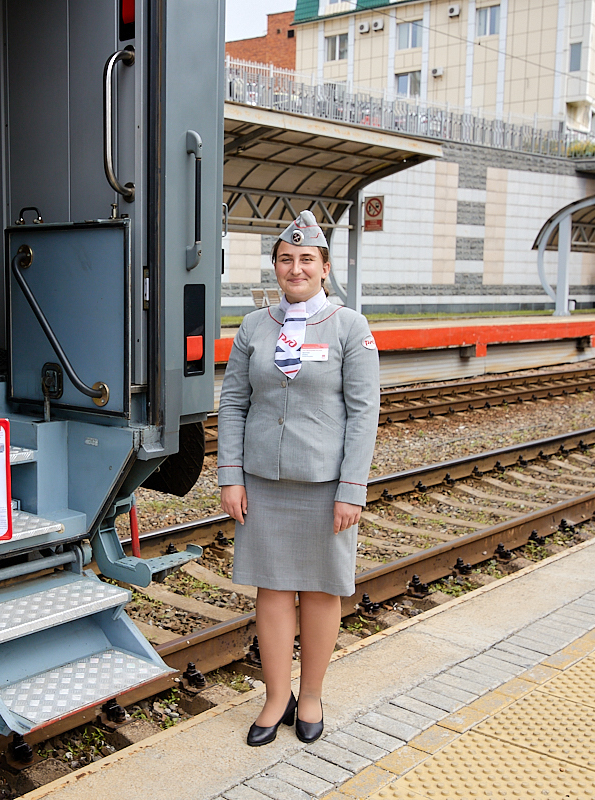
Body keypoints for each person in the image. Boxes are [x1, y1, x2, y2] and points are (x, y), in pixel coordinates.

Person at [217, 210, 380, 746]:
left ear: (324, 268)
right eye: (286, 259)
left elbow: (364, 414)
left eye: (306, 259)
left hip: (325, 485)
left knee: (320, 591)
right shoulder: (253, 327)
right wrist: (231, 476)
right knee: (272, 589)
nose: (295, 268)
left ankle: (309, 697)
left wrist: (352, 489)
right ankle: (275, 697)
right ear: (275, 267)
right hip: (264, 481)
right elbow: (235, 403)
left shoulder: (349, 327)